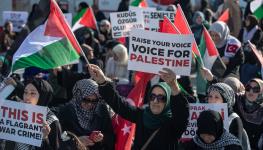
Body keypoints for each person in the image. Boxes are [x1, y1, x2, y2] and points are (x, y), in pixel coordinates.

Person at [89, 64, 189, 149]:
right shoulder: (142, 115)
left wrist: (174, 86)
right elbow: (120, 105)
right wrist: (102, 81)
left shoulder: (174, 123)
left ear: (168, 101)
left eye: (161, 98)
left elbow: (182, 113)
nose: (155, 101)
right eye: (152, 96)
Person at [53, 79, 115, 150]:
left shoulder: (101, 111)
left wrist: (101, 138)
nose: (90, 104)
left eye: (94, 101)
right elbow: (57, 140)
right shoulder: (66, 112)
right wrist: (76, 141)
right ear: (78, 96)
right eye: (86, 100)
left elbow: (111, 138)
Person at [3, 78, 62, 150]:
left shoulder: (52, 122)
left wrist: (44, 138)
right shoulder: (17, 112)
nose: (27, 97)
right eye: (25, 92)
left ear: (42, 96)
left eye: (32, 93)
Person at [206, 82, 249, 149]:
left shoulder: (234, 119)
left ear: (226, 100)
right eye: (210, 96)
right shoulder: (204, 115)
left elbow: (236, 145)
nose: (212, 100)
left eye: (217, 97)